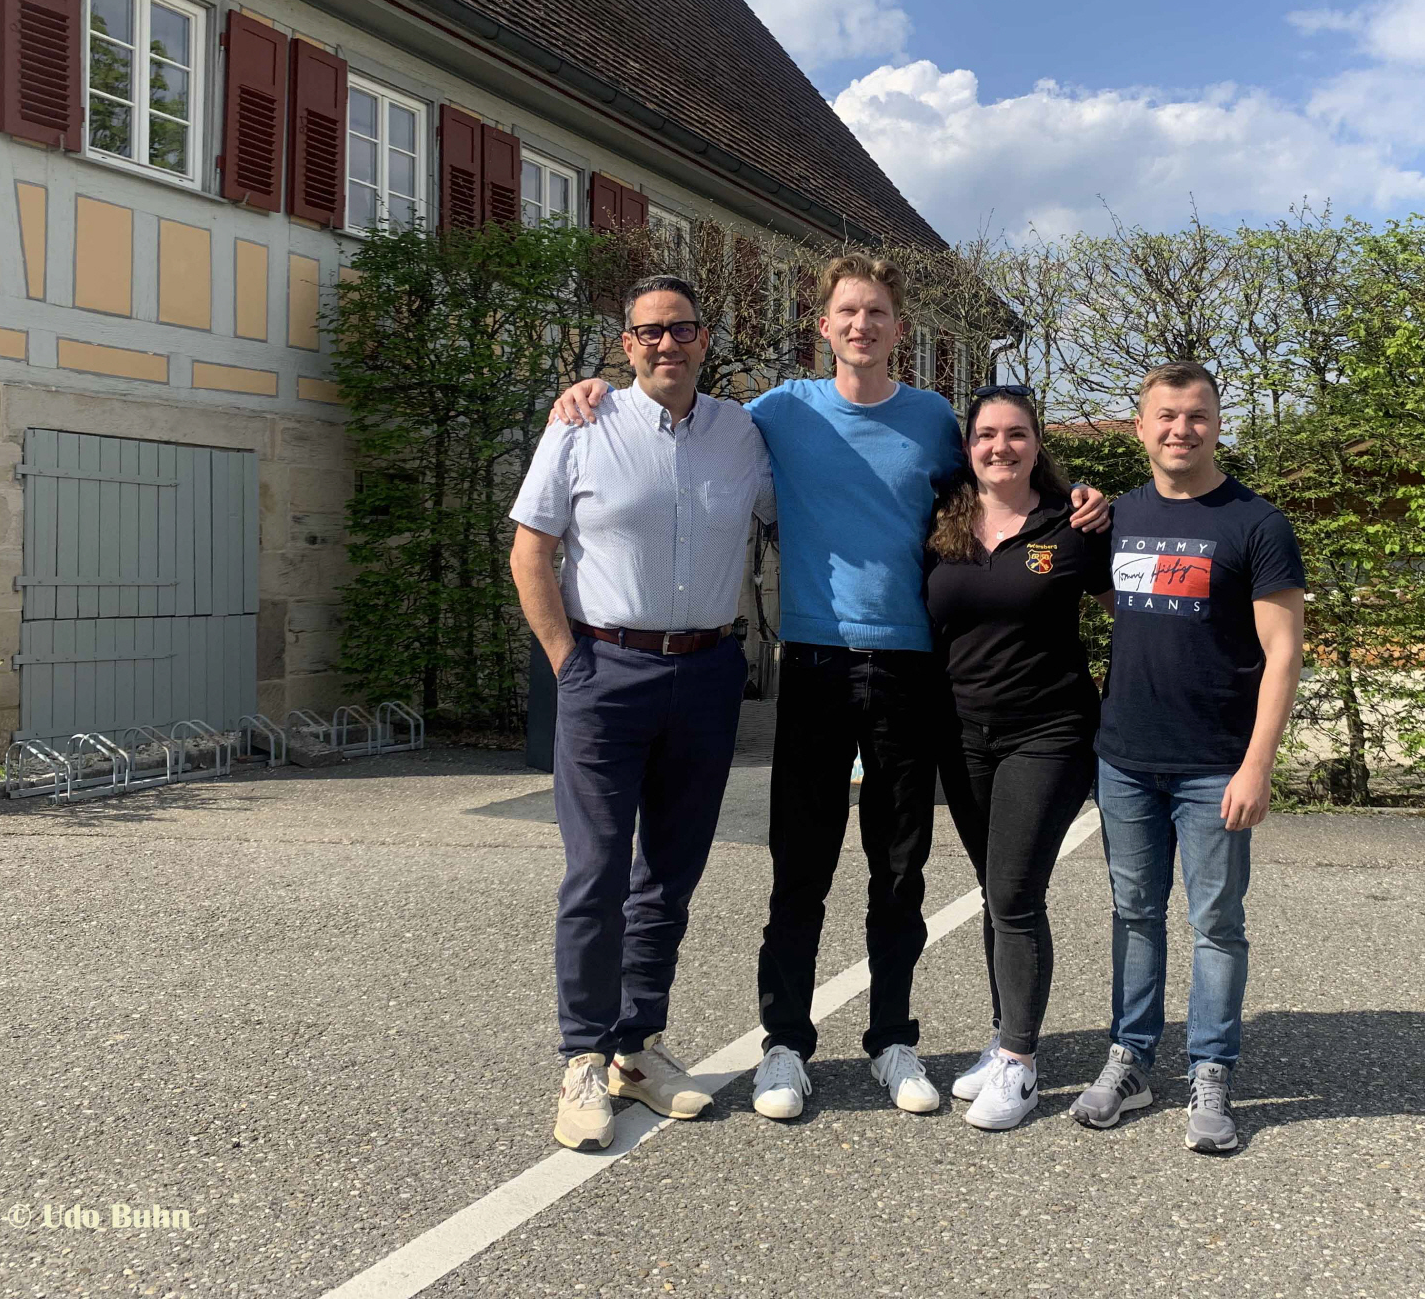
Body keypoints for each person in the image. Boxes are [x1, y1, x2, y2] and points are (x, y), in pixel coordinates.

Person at [548, 253, 1108, 1121]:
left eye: (877, 312)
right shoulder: (777, 412)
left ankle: (892, 1038)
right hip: (814, 663)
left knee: (899, 868)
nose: (862, 325)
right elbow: (677, 413)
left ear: (898, 328)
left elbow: (1003, 482)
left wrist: (1079, 499)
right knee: (799, 868)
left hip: (911, 668)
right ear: (824, 326)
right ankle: (784, 1045)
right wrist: (590, 392)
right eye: (848, 311)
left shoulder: (933, 420)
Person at [509, 274, 774, 1152]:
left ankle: (636, 1046)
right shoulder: (581, 424)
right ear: (625, 344)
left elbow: (814, 503)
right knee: (594, 874)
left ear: (705, 340)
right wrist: (568, 666)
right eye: (650, 331)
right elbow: (531, 552)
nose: (667, 344)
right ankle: (582, 1056)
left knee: (670, 874)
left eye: (683, 329)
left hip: (706, 672)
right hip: (606, 669)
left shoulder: (744, 433)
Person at [1068, 361, 1305, 1154]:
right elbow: (1126, 607)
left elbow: (1284, 653)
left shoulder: (1257, 524)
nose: (1181, 429)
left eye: (1197, 415)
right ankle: (1131, 1060)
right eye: (1166, 416)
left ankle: (1211, 1069)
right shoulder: (1118, 519)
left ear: (1216, 424)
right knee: (1135, 913)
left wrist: (1257, 766)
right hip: (1126, 758)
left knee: (1216, 924)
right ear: (1140, 427)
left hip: (1215, 766)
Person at [925, 386, 1112, 1130]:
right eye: (985, 435)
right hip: (961, 734)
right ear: (967, 446)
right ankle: (1005, 1037)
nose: (999, 447)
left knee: (1014, 894)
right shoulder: (941, 520)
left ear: (1037, 444)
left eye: (1016, 434)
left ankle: (1021, 1061)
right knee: (992, 890)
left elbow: (1130, 614)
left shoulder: (1074, 523)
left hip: (1049, 734)